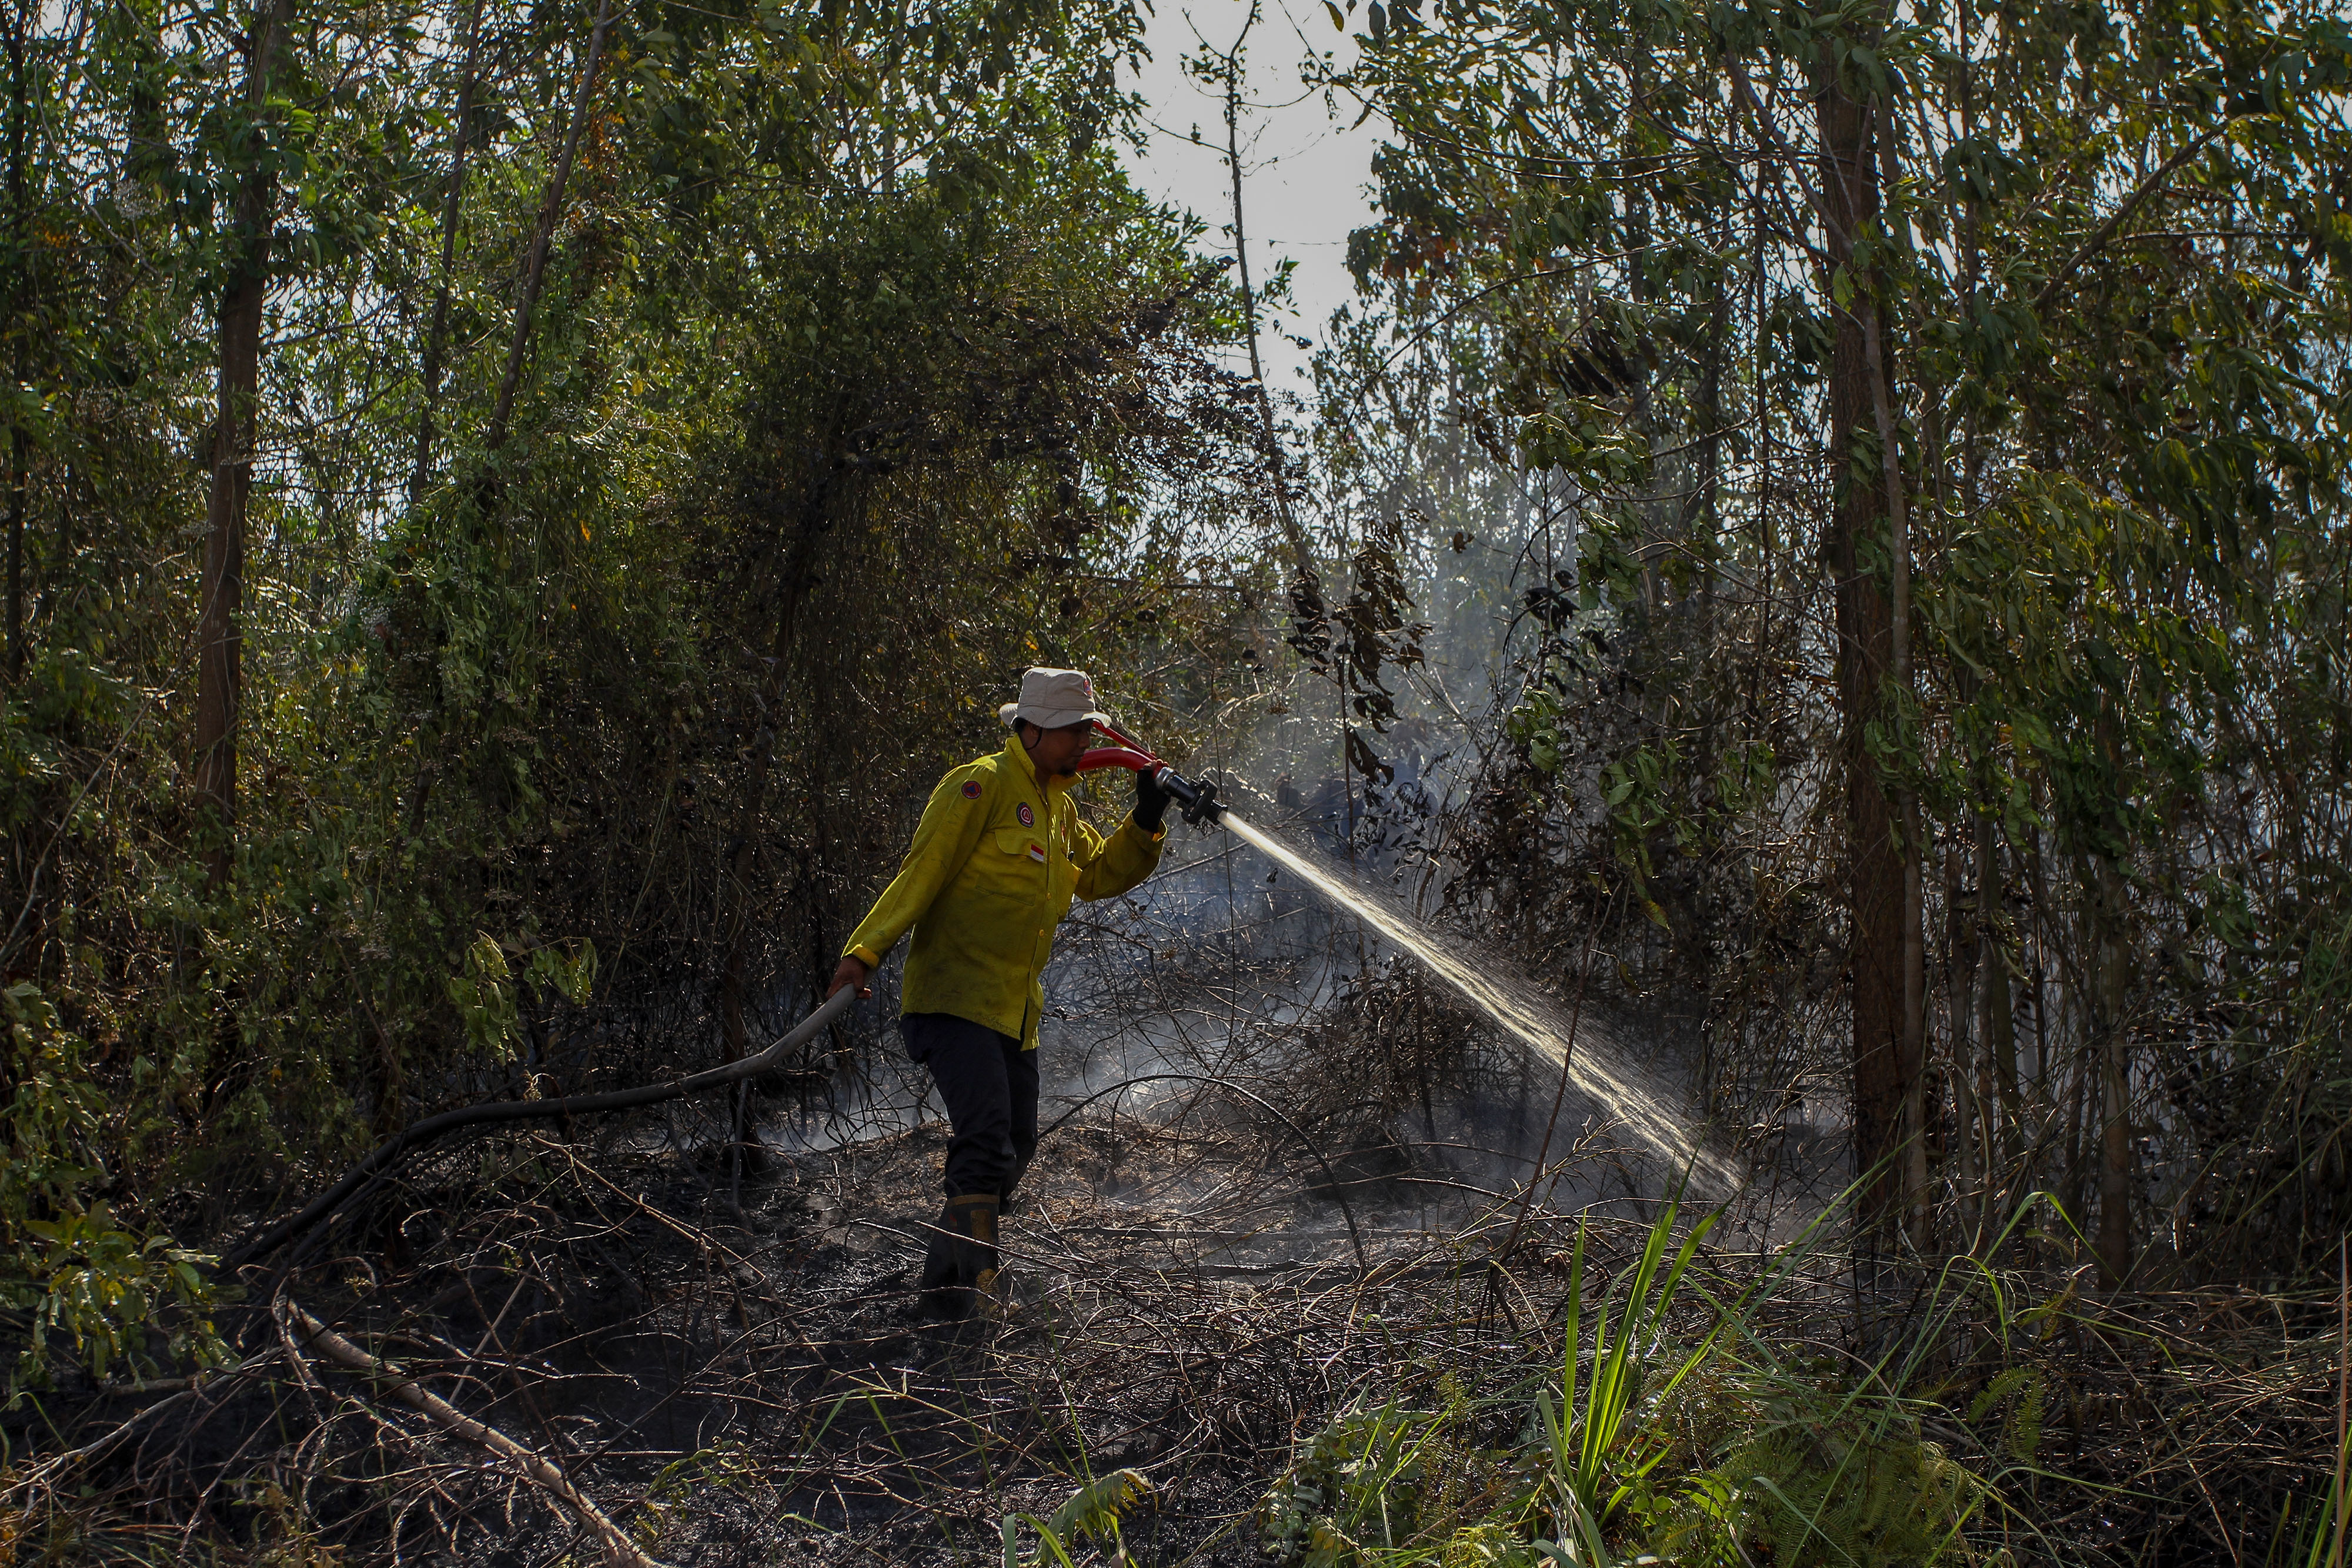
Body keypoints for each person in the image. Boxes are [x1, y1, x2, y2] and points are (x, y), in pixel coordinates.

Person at [826, 667, 1170, 1316]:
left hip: (1015, 1011)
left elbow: (1096, 876)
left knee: (1016, 1142)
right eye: (1070, 732)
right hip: (954, 996)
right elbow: (921, 873)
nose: (1080, 744)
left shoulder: (1058, 809)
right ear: (1031, 729)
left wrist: (1147, 815)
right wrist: (863, 953)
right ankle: (976, 1298)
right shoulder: (978, 784)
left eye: (1085, 732)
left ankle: (939, 1285)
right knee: (983, 1137)